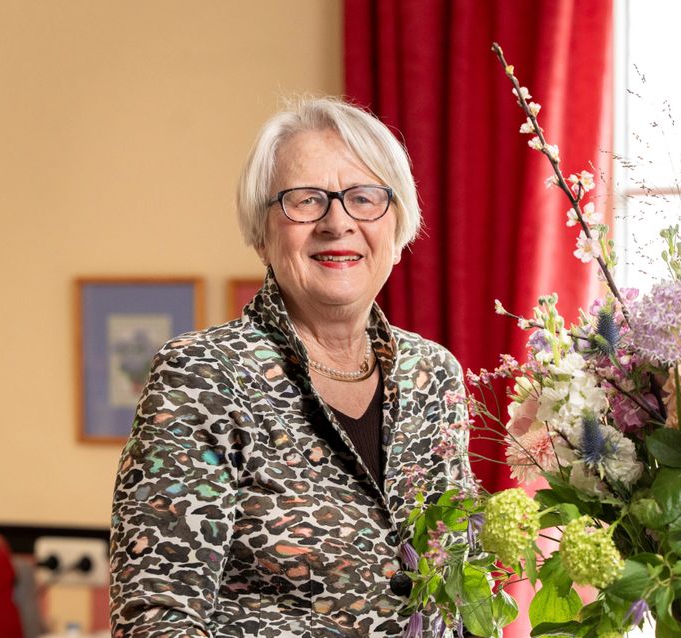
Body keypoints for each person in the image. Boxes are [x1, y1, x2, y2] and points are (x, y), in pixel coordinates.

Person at [110, 97, 473, 637]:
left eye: (364, 198)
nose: (337, 223)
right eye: (305, 201)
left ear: (397, 228)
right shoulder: (203, 376)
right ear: (262, 234)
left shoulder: (433, 374)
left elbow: (459, 591)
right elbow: (158, 617)